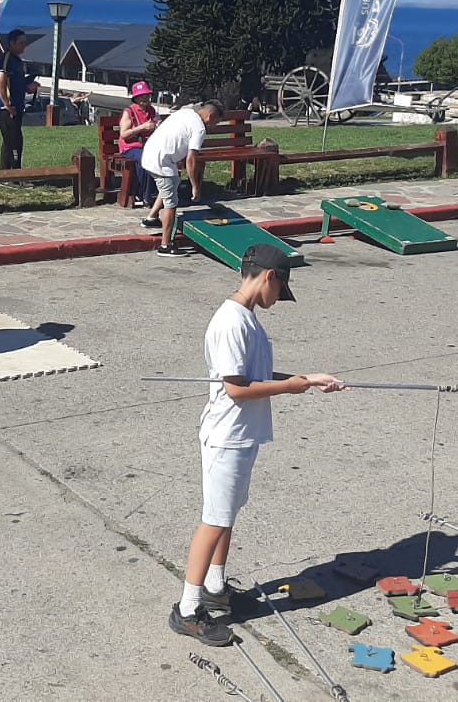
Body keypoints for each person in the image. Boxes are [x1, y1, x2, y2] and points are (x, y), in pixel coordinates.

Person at [169, 244, 343, 646]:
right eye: (280, 290)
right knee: (213, 520)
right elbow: (235, 389)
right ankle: (188, 608)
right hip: (226, 437)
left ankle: (214, 585)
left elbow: (256, 374)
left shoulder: (245, 318)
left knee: (226, 514)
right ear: (269, 276)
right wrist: (290, 388)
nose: (278, 299)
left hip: (242, 435)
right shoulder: (231, 322)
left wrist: (308, 378)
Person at [142, 101, 224, 257]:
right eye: (216, 122)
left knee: (169, 185)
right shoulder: (200, 129)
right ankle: (165, 246)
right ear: (210, 116)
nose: (214, 126)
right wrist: (195, 186)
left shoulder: (185, 112)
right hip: (161, 162)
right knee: (171, 203)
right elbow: (191, 159)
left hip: (150, 154)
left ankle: (151, 218)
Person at [117, 80, 161, 211]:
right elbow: (124, 134)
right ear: (135, 98)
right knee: (145, 159)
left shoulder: (152, 110)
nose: (145, 98)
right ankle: (147, 196)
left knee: (160, 158)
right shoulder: (129, 112)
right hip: (131, 147)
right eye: (142, 96)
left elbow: (157, 123)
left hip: (148, 145)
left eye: (147, 95)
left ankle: (156, 192)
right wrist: (142, 127)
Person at [0, 29, 31, 171]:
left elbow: (17, 83)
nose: (23, 46)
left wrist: (29, 86)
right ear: (12, 43)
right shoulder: (6, 59)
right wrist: (7, 104)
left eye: (24, 43)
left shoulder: (17, 61)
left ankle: (5, 174)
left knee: (11, 142)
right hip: (6, 109)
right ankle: (14, 176)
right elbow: (0, 82)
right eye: (20, 43)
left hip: (17, 107)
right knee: (14, 143)